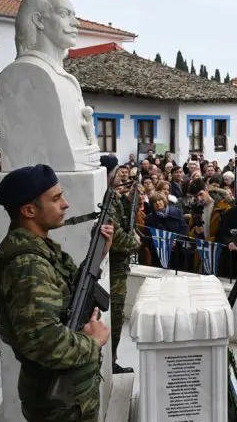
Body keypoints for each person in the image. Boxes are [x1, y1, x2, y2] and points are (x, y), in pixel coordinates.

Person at [0, 164, 112, 422]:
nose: (65, 204)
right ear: (29, 210)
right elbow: (43, 342)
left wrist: (98, 255)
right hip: (60, 404)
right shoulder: (27, 265)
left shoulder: (40, 247)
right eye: (56, 199)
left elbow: (63, 292)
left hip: (72, 393)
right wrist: (93, 341)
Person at [100, 155, 140, 374]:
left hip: (118, 268)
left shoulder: (114, 196)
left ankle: (111, 360)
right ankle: (109, 364)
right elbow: (116, 236)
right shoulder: (106, 198)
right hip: (113, 269)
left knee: (116, 316)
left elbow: (125, 223)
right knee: (114, 316)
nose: (121, 174)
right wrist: (134, 243)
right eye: (117, 170)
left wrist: (131, 201)